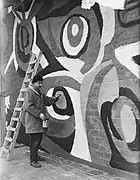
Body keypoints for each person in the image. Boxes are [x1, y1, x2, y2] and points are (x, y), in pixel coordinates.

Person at [23, 75, 59, 168]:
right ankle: (33, 160)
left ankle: (35, 156)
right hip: (33, 122)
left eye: (41, 83)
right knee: (34, 141)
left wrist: (54, 98)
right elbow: (28, 107)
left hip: (39, 122)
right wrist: (39, 114)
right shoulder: (29, 92)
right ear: (33, 82)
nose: (40, 85)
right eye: (39, 83)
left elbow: (46, 100)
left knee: (38, 140)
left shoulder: (39, 92)